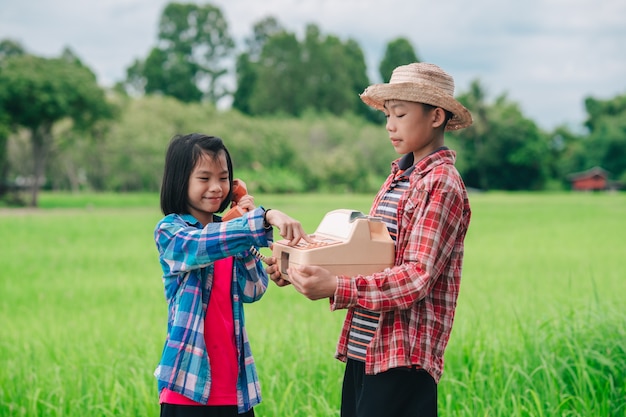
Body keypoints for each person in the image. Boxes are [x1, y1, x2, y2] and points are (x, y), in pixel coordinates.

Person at [266, 63, 473, 417]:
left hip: (404, 359)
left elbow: (416, 276)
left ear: (436, 116)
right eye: (387, 115)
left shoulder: (440, 183)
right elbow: (371, 259)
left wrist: (336, 286)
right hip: (368, 349)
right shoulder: (398, 178)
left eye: (401, 114)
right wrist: (301, 266)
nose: (390, 125)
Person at [154, 133, 309, 417]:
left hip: (235, 391)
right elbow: (201, 244)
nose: (216, 188)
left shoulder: (233, 231)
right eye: (204, 178)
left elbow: (254, 289)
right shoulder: (171, 231)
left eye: (224, 178)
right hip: (187, 390)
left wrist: (245, 223)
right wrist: (261, 217)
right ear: (180, 181)